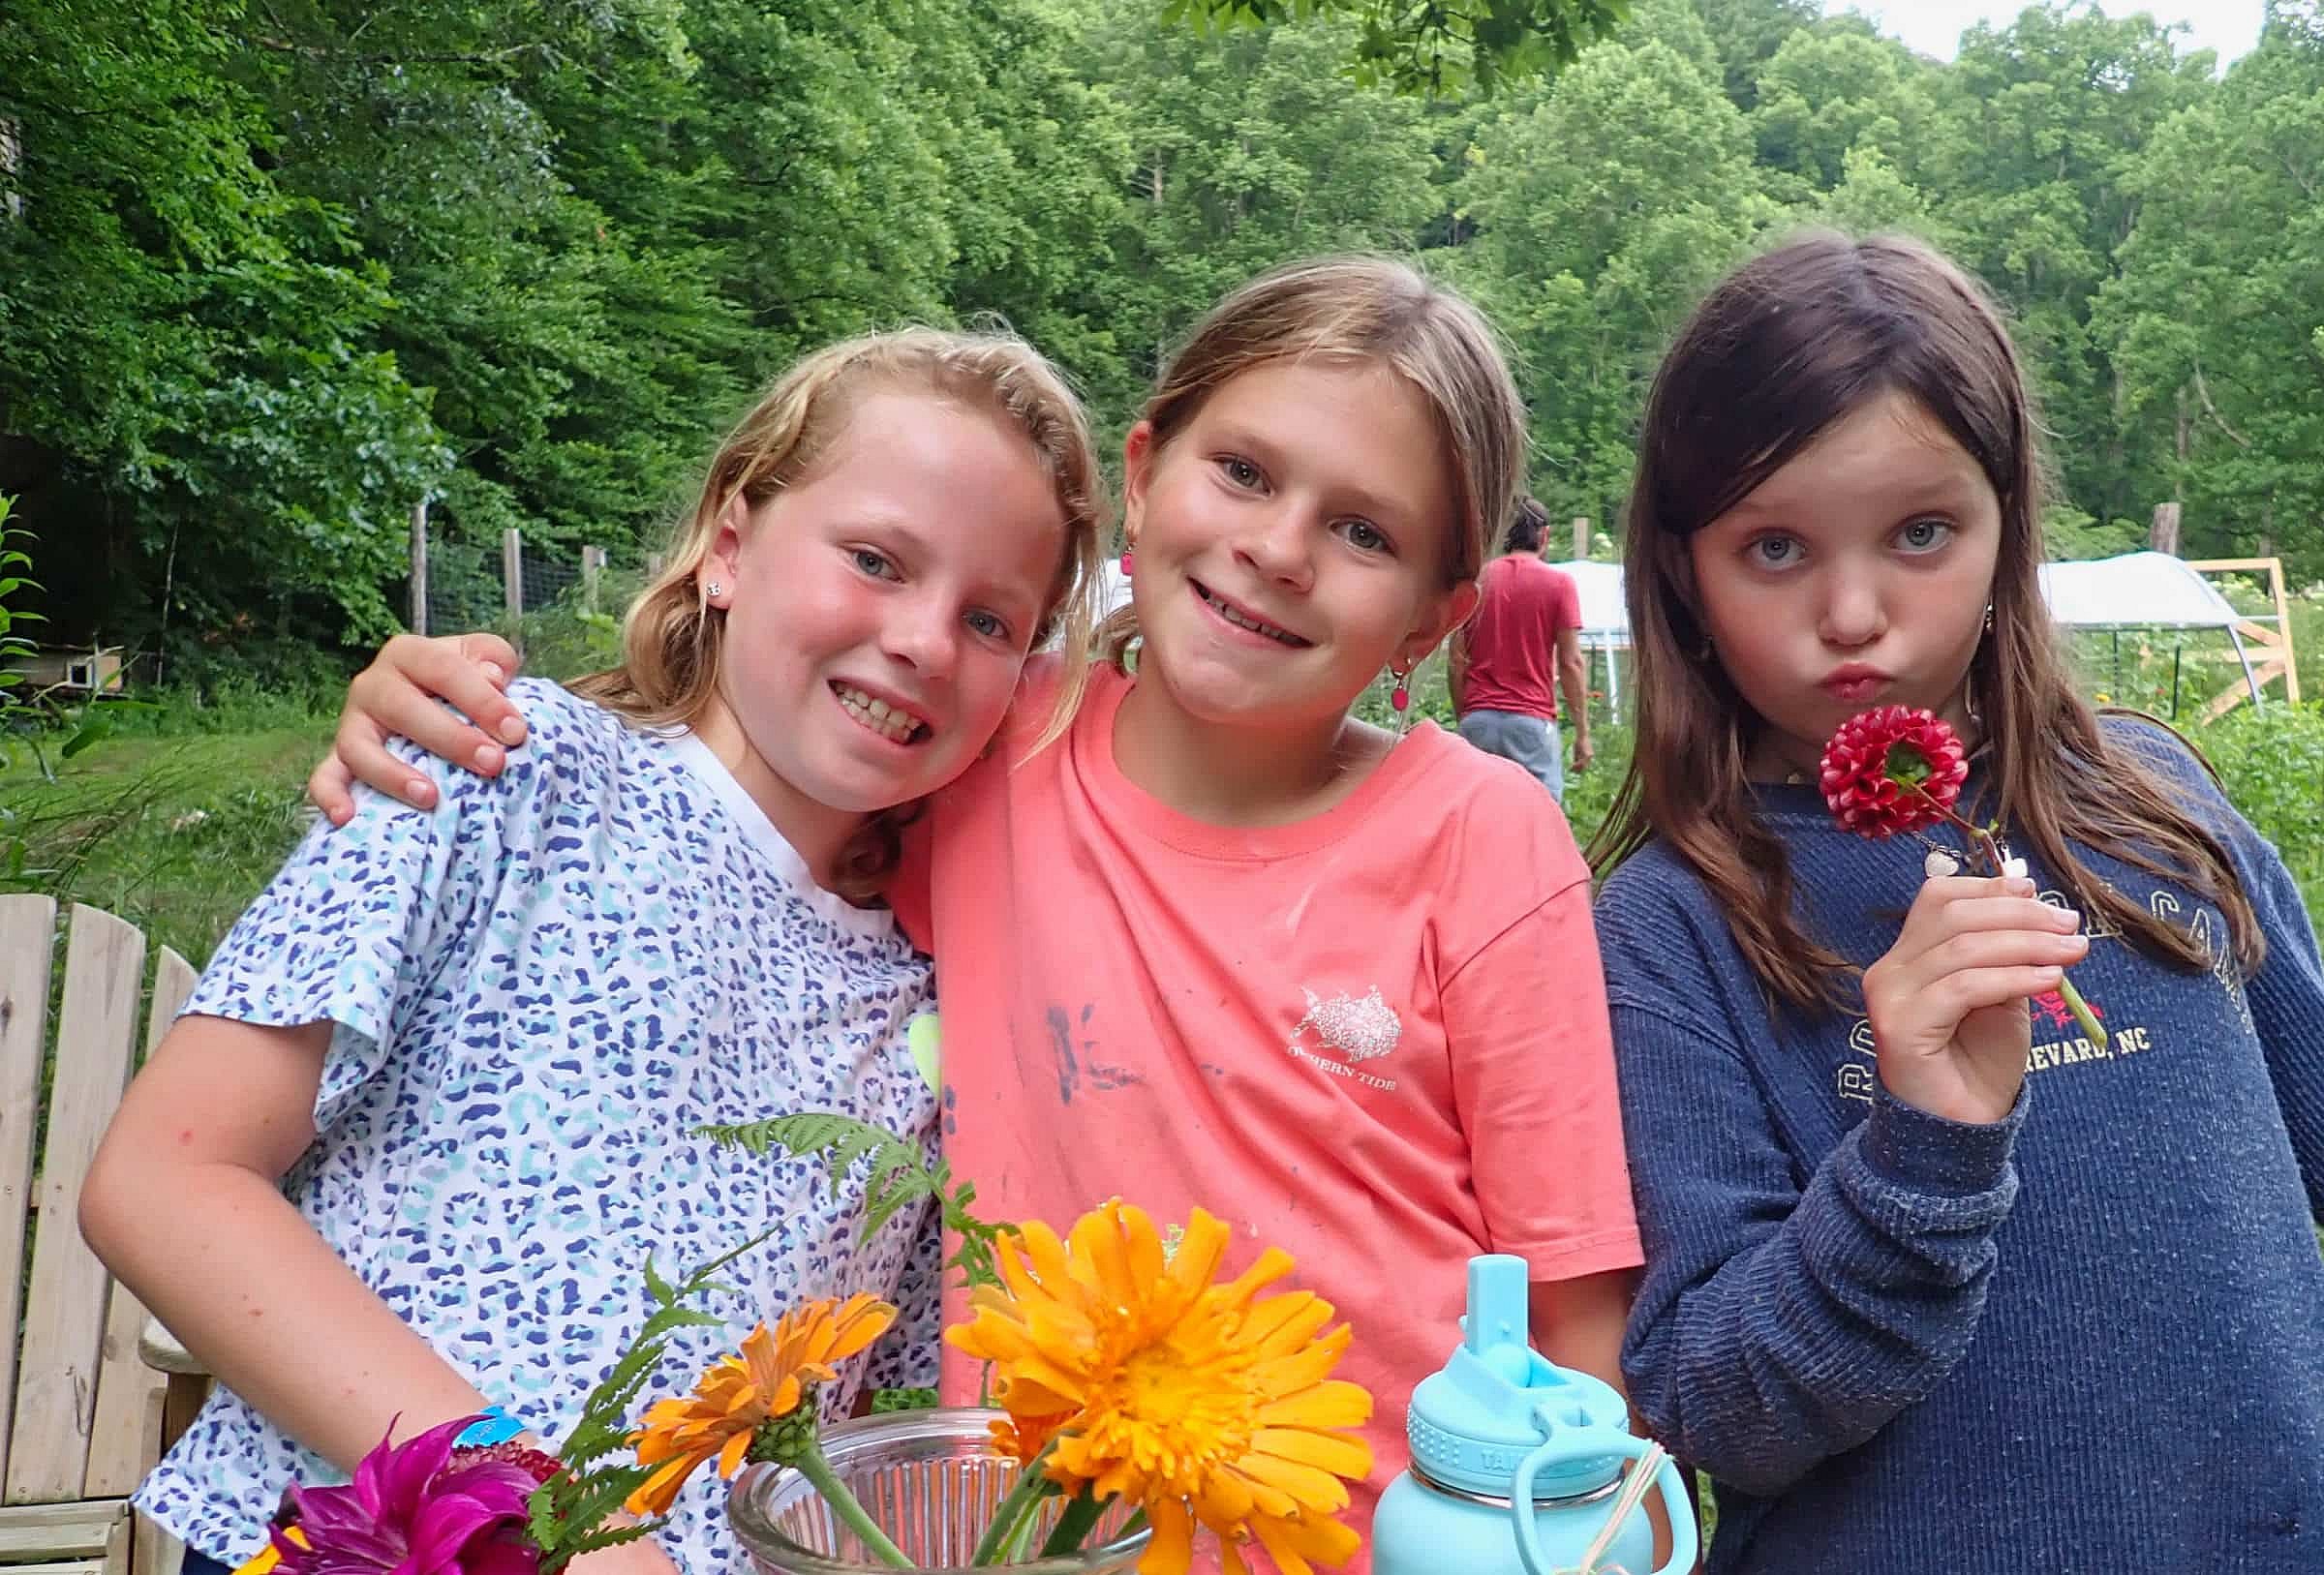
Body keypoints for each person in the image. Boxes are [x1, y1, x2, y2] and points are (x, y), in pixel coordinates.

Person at [304, 257, 1648, 1565]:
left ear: (1432, 620)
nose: (1279, 547)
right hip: (1034, 1537)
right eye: (1242, 469)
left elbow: (1575, 1321)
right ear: (1143, 473)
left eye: (1367, 532)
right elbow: (751, 757)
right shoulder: (986, 747)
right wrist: (443, 716)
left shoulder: (1484, 833)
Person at [78, 327, 1107, 1575]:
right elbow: (165, 1181)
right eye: (877, 560)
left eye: (992, 620)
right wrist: (542, 1522)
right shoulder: (496, 768)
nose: (926, 641)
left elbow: (879, 1441)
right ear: (731, 543)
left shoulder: (935, 990)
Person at [1591, 230, 2324, 1573]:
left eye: (1921, 532)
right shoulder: (1672, 924)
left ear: (2006, 529)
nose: (1855, 611)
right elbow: (1710, 1406)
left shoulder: (2150, 798)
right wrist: (1918, 1144)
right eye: (1773, 547)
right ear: (1682, 571)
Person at [1448, 496, 1592, 802]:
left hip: (1478, 719)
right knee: (1542, 818)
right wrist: (1582, 733)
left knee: (1480, 816)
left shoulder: (1478, 581)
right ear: (1545, 536)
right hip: (1531, 722)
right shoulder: (1559, 584)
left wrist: (1468, 716)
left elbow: (1457, 660)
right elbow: (1570, 663)